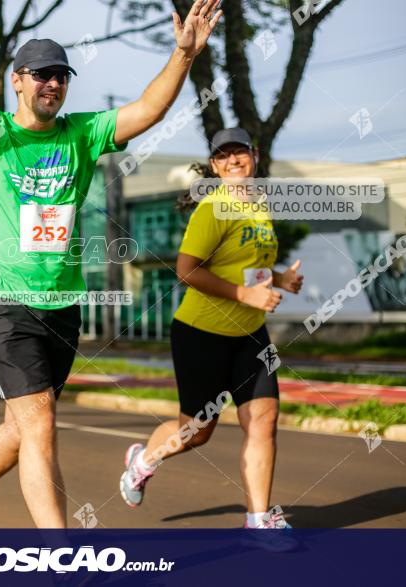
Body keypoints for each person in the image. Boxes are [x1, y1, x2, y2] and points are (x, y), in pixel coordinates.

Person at [0, 0, 223, 528]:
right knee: (42, 422)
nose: (52, 84)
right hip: (3, 300)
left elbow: (148, 110)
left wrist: (183, 55)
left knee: (22, 424)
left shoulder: (80, 134)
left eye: (61, 76)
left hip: (62, 304)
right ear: (17, 82)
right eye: (41, 75)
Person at [119, 128, 304, 532]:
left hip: (250, 336)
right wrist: (245, 294)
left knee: (263, 420)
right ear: (215, 166)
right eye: (224, 156)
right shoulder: (213, 208)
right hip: (201, 334)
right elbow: (187, 271)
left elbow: (246, 266)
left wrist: (277, 280)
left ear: (255, 155)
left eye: (241, 152)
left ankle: (259, 520)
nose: (234, 159)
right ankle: (144, 460)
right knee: (196, 432)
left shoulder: (258, 205)